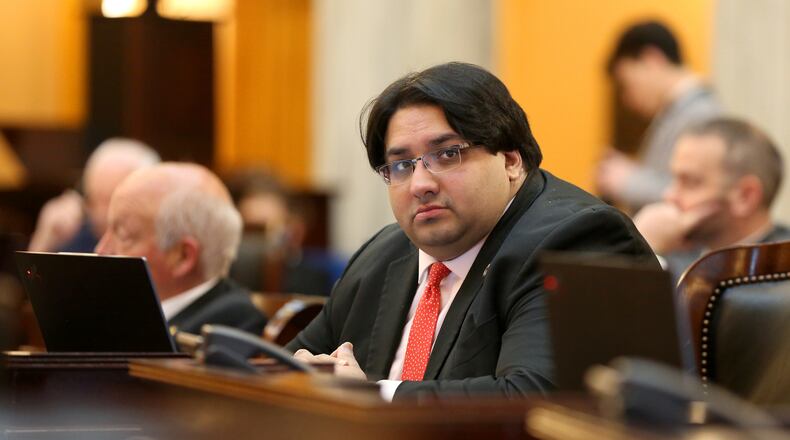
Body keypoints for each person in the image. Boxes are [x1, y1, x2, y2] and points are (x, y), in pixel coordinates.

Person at [288, 62, 657, 401]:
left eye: (447, 155)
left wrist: (372, 400)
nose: (420, 184)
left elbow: (532, 398)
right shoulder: (383, 253)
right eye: (401, 165)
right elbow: (289, 363)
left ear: (511, 161)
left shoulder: (578, 239)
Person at [95, 162, 267, 335]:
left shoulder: (229, 327)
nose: (101, 250)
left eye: (124, 236)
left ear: (183, 256)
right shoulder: (123, 309)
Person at [634, 117, 789, 283]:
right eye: (674, 179)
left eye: (690, 182)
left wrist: (643, 248)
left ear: (746, 196)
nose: (669, 195)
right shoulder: (677, 256)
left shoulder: (780, 276)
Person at [596, 20, 722, 212]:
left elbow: (702, 195)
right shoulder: (676, 112)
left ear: (652, 59)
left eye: (627, 84)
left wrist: (627, 180)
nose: (628, 99)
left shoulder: (701, 113)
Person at [28, 138, 160, 252]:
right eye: (94, 201)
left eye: (111, 202)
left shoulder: (160, 247)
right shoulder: (77, 233)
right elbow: (33, 277)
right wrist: (44, 240)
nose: (101, 214)